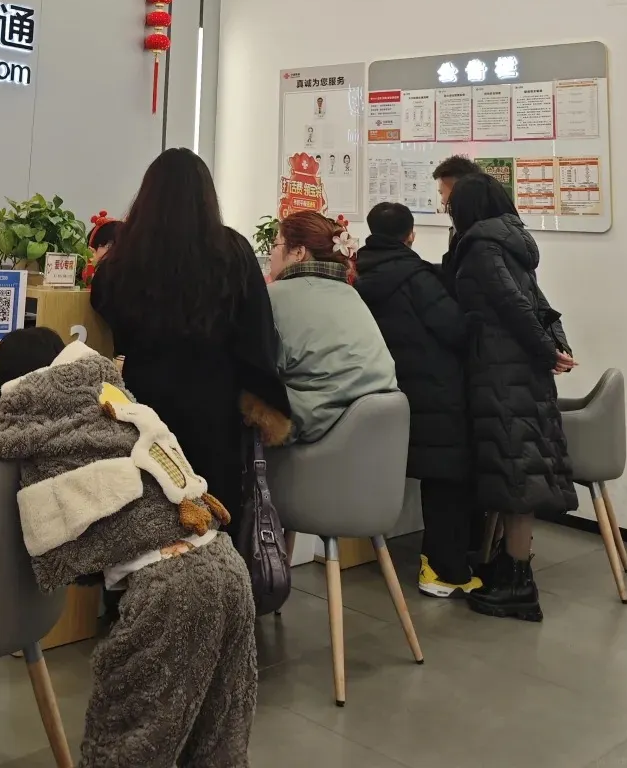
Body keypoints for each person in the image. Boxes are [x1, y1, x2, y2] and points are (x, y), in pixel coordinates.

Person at [0, 327, 257, 768]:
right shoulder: (113, 393)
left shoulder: (26, 405)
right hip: (226, 563)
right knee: (216, 744)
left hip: (170, 591)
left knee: (131, 742)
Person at [91, 148, 291, 527]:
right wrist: (265, 403)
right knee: (216, 522)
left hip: (144, 410)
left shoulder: (127, 259)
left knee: (146, 524)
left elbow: (103, 303)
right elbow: (258, 335)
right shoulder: (232, 251)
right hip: (216, 410)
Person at [448, 174, 576, 622]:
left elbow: (514, 306)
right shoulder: (512, 242)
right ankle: (509, 568)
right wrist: (557, 349)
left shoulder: (481, 246)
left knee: (515, 476)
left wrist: (547, 351)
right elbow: (542, 305)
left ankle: (519, 585)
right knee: (517, 469)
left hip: (501, 371)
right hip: (522, 371)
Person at [355, 202, 481, 597]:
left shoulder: (358, 276)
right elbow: (456, 329)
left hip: (387, 392)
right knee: (447, 479)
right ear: (410, 234)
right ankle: (441, 570)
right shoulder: (418, 277)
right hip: (434, 392)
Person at [267, 211, 397, 443]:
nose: (270, 253)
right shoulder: (351, 294)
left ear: (299, 252)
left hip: (316, 427)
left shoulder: (274, 297)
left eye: (276, 244)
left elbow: (258, 367)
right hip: (374, 432)